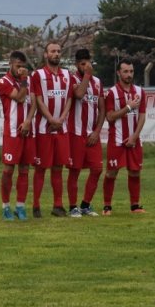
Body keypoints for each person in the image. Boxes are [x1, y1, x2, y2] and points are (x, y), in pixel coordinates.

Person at [28, 42, 73, 218]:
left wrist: (61, 119)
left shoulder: (67, 75)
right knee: (41, 168)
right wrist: (50, 119)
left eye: (59, 51)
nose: (56, 54)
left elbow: (69, 98)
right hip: (43, 128)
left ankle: (58, 205)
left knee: (58, 167)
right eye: (53, 51)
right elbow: (38, 99)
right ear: (46, 55)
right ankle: (36, 206)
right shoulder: (38, 75)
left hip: (61, 128)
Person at [102, 58, 147, 215]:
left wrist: (135, 136)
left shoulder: (140, 92)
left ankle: (135, 205)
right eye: (125, 71)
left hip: (134, 140)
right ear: (119, 73)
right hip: (117, 140)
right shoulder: (112, 93)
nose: (129, 74)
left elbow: (142, 116)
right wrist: (128, 107)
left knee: (135, 171)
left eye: (131, 71)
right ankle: (107, 206)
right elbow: (110, 117)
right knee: (111, 172)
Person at [67, 48, 105, 217]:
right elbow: (80, 94)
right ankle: (73, 206)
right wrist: (87, 76)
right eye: (82, 64)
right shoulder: (71, 79)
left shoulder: (97, 82)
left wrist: (97, 131)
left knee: (97, 169)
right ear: (77, 65)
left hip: (92, 134)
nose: (86, 66)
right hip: (75, 133)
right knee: (74, 170)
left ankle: (85, 205)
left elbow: (102, 109)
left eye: (88, 63)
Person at [0, 51, 33, 221]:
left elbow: (34, 102)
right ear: (10, 64)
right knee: (8, 170)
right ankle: (5, 207)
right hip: (11, 132)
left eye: (23, 66)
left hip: (27, 131)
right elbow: (19, 98)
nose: (21, 69)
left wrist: (28, 121)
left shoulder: (29, 81)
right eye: (18, 66)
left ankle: (20, 206)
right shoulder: (3, 81)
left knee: (25, 170)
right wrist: (24, 80)